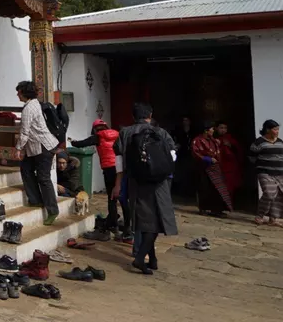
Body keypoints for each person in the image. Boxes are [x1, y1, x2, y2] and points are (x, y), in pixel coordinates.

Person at [112, 102, 178, 275]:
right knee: (155, 223)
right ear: (150, 115)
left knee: (144, 221)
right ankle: (140, 258)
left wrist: (118, 184)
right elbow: (173, 156)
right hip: (159, 184)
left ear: (133, 117)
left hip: (136, 182)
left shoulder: (125, 133)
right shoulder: (161, 133)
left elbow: (118, 161)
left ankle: (153, 260)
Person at [71, 119, 129, 237]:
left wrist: (73, 142)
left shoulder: (98, 137)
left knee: (111, 198)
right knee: (123, 198)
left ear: (95, 129)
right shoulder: (118, 134)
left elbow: (82, 144)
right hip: (120, 169)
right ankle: (128, 228)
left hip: (108, 170)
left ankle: (113, 225)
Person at [15, 80, 60, 225]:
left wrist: (18, 148)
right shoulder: (34, 103)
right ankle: (35, 200)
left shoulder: (29, 108)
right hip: (37, 147)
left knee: (43, 178)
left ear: (24, 93)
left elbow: (24, 131)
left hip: (43, 147)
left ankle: (52, 210)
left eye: (19, 92)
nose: (17, 94)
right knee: (26, 169)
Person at [191, 122, 232, 216]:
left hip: (215, 168)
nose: (213, 131)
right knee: (204, 189)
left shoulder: (213, 140)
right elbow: (195, 152)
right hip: (204, 168)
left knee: (217, 189)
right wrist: (207, 159)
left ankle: (217, 209)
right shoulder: (197, 140)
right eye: (212, 129)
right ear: (206, 130)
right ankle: (204, 208)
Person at [250, 120, 283, 226]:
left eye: (278, 129)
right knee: (269, 193)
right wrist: (260, 165)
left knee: (278, 194)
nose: (277, 131)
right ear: (268, 129)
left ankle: (273, 218)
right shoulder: (259, 142)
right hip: (264, 172)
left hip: (279, 173)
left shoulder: (280, 142)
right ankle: (260, 216)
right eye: (275, 129)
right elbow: (251, 157)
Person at [216, 121, 243, 201]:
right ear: (216, 128)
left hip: (230, 167)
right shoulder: (214, 139)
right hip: (218, 166)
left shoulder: (231, 139)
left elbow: (239, 152)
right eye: (221, 128)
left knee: (230, 187)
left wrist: (230, 146)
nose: (223, 130)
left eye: (225, 128)